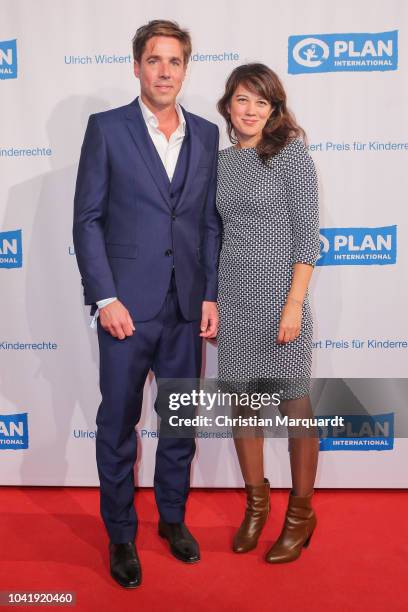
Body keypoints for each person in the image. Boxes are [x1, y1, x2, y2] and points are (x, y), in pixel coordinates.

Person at [73, 20, 221, 588]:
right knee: (117, 424)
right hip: (125, 312)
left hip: (186, 307)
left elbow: (208, 222)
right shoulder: (107, 129)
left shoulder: (207, 134)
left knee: (179, 422)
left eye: (175, 61)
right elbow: (87, 219)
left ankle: (173, 520)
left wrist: (208, 293)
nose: (165, 71)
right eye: (154, 60)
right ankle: (120, 534)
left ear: (186, 68)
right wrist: (104, 297)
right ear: (136, 66)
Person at [216, 63, 320, 563]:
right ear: (228, 106)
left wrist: (294, 303)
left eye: (262, 101)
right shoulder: (220, 162)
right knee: (243, 406)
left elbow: (307, 234)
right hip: (235, 298)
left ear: (274, 109)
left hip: (282, 299)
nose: (251, 110)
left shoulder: (291, 154)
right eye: (242, 99)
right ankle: (256, 506)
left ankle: (300, 516)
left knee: (294, 408)